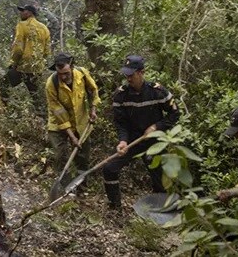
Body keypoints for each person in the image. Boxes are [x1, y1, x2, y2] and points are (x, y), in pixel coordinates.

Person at [103, 55, 180, 209]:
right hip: (132, 141)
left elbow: (175, 114)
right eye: (126, 76)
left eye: (131, 75)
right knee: (109, 168)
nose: (128, 79)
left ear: (141, 72)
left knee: (158, 176)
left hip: (154, 142)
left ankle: (162, 211)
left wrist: (156, 127)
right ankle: (115, 207)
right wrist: (123, 141)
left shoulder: (157, 92)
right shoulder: (120, 95)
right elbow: (120, 123)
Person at [46, 53, 100, 187]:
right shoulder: (51, 84)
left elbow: (93, 91)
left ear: (72, 67)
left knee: (83, 156)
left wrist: (93, 109)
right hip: (58, 123)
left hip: (80, 121)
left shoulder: (82, 74)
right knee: (61, 155)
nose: (63, 77)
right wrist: (72, 137)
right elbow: (59, 113)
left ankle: (81, 185)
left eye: (66, 73)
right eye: (60, 74)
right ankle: (64, 187)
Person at [6, 4, 50, 115]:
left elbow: (18, 48)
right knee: (36, 97)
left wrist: (13, 63)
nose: (21, 13)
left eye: (23, 11)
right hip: (37, 69)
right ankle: (42, 120)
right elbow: (47, 52)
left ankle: (2, 110)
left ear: (29, 13)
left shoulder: (22, 25)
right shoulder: (44, 28)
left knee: (4, 84)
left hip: (23, 67)